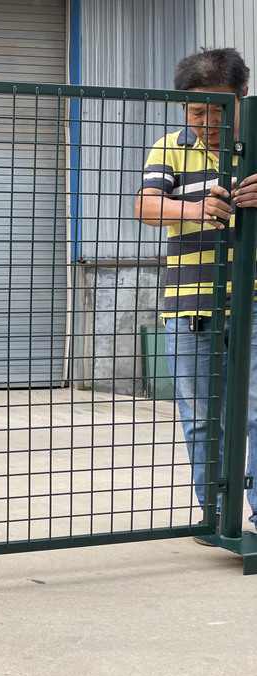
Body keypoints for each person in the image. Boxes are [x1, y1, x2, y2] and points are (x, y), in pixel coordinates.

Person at [135, 47, 257, 542]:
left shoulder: (256, 143)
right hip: (190, 305)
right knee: (201, 418)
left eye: (217, 110)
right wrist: (197, 208)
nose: (207, 123)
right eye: (195, 112)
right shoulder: (169, 147)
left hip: (253, 302)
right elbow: (145, 206)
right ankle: (217, 516)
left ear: (242, 96)